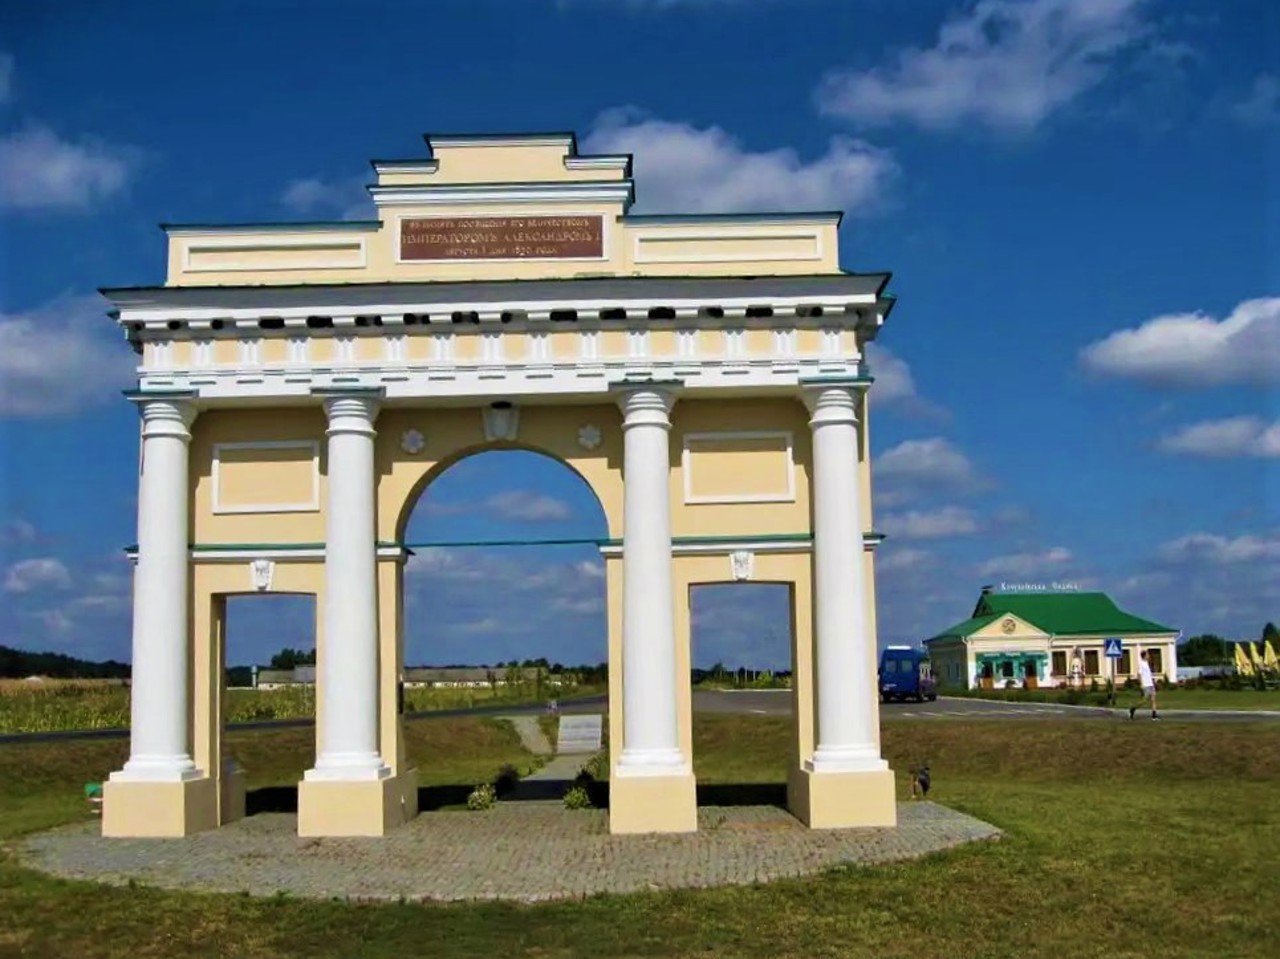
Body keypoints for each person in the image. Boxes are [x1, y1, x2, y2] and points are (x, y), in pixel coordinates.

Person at [1129, 650, 1159, 721]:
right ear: (1144, 656)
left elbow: (1148, 674)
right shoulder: (1141, 664)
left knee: (1153, 700)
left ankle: (1154, 716)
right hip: (1146, 685)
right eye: (1147, 655)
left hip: (1151, 684)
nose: (1148, 656)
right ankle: (1133, 708)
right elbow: (1139, 674)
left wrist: (1153, 681)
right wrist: (1141, 684)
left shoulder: (1147, 664)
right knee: (1145, 700)